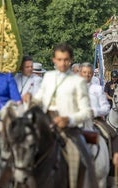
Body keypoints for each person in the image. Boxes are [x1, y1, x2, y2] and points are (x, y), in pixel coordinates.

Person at [33, 43, 98, 187]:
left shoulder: (78, 81)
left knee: (79, 157)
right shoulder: (48, 77)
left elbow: (86, 111)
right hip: (45, 125)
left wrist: (68, 119)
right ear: (54, 60)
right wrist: (30, 100)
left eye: (66, 60)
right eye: (59, 59)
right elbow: (39, 98)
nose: (62, 63)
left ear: (70, 60)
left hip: (68, 130)